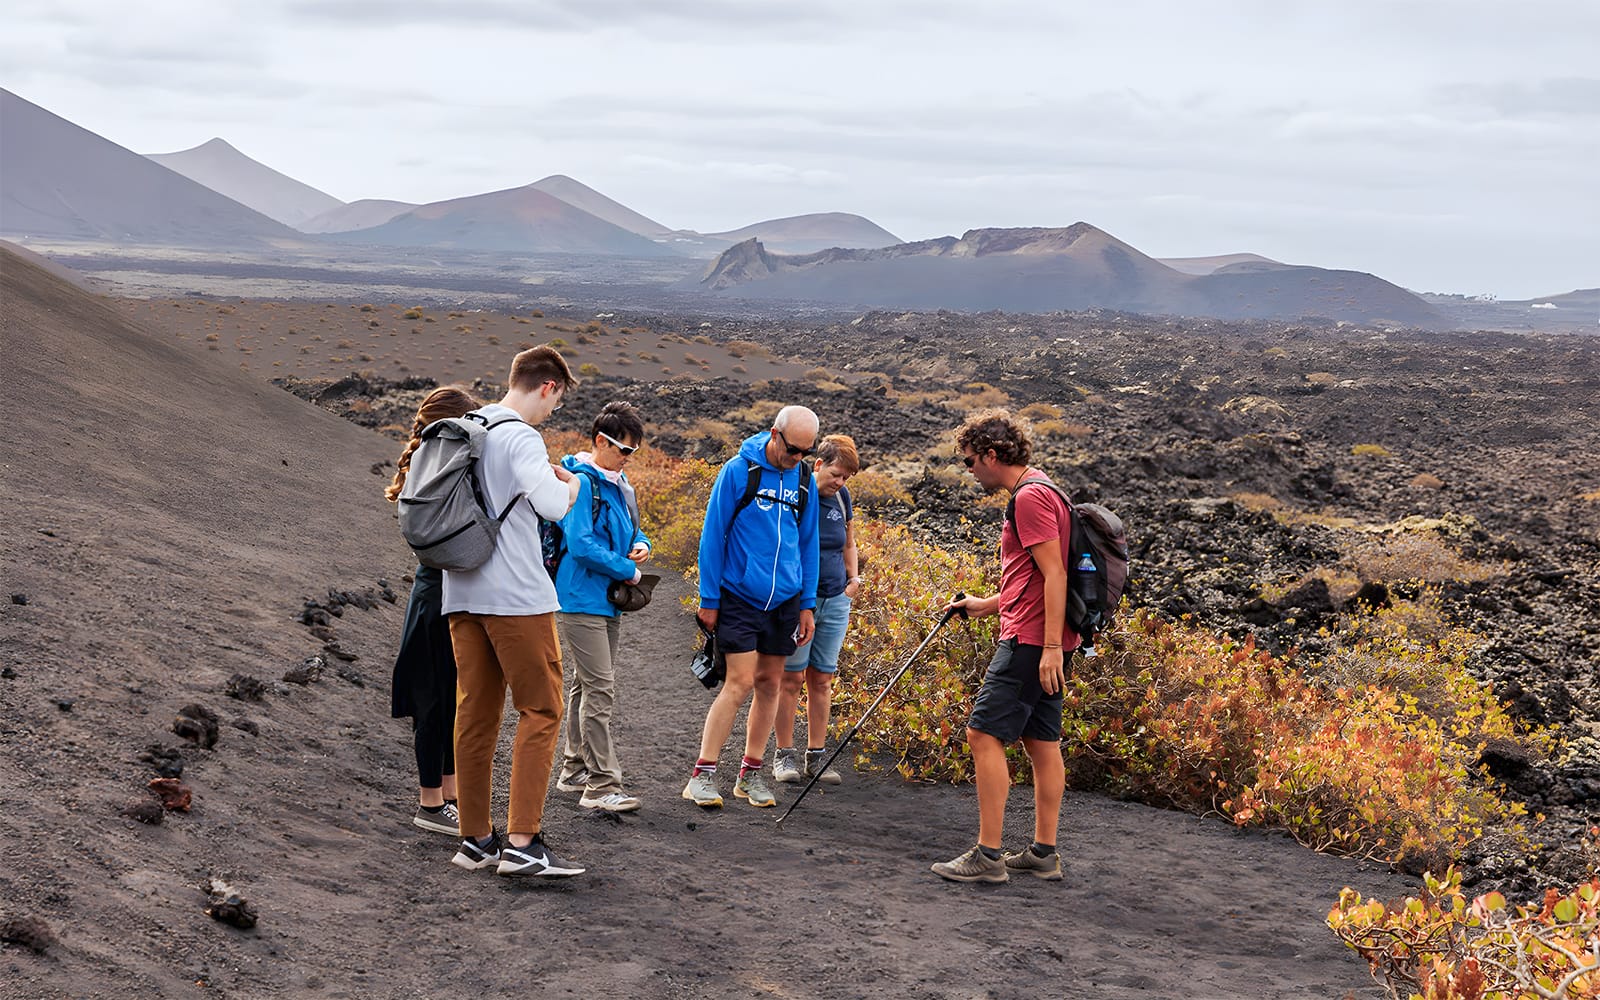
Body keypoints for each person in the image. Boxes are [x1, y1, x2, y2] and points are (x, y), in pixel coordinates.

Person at [444, 346, 587, 878]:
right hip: (516, 597)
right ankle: (524, 842)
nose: (553, 411)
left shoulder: (467, 426)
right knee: (542, 709)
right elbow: (551, 505)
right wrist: (571, 485)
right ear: (547, 386)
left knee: (476, 713)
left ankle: (475, 838)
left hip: (460, 589)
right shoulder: (521, 435)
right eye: (557, 400)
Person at [934, 410, 1076, 884]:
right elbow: (1035, 577)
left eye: (972, 461)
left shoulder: (1029, 499)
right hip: (1043, 638)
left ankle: (989, 857)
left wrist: (1050, 647)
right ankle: (1043, 853)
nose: (970, 470)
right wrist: (987, 604)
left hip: (1032, 643)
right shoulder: (1045, 487)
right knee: (1041, 741)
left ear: (993, 455)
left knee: (982, 735)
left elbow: (1056, 575)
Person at [683, 405, 820, 809]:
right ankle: (702, 775)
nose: (797, 459)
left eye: (805, 453)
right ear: (775, 434)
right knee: (739, 681)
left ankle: (751, 774)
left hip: (786, 600)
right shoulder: (740, 471)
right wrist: (709, 598)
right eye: (793, 450)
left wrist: (806, 605)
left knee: (770, 683)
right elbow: (713, 535)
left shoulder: (805, 480)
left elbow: (808, 543)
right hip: (740, 595)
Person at [385, 385, 481, 836]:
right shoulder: (439, 468)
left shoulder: (429, 465)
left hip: (437, 591)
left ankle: (449, 796)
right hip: (437, 593)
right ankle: (430, 802)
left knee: (448, 699)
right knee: (434, 699)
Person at [552, 401, 652, 813]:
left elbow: (631, 526)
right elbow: (580, 543)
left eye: (633, 452)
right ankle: (601, 785)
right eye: (623, 450)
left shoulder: (618, 484)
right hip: (581, 596)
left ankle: (574, 769)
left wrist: (642, 543)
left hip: (604, 599)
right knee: (599, 688)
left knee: (586, 684)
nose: (628, 459)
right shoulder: (582, 481)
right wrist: (627, 569)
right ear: (600, 441)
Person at [762, 434, 861, 786]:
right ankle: (783, 756)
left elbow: (848, 541)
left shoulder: (842, 498)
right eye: (836, 473)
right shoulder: (798, 493)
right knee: (790, 679)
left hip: (836, 600)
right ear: (817, 465)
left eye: (846, 477)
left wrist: (854, 580)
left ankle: (816, 756)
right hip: (799, 601)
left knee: (822, 679)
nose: (840, 482)